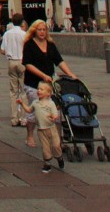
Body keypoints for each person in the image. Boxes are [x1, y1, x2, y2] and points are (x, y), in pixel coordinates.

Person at [22, 19, 77, 148]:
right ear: (34, 31)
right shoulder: (29, 44)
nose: (42, 32)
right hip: (33, 84)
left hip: (49, 85)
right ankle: (30, 136)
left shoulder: (50, 44)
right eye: (39, 30)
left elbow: (59, 61)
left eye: (44, 30)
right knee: (35, 112)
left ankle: (56, 141)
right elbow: (27, 64)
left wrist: (70, 73)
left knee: (54, 111)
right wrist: (42, 75)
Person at [17, 81, 64, 172]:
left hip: (51, 128)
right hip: (41, 130)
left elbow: (55, 114)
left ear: (48, 93)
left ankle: (59, 157)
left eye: (42, 89)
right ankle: (47, 164)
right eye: (38, 89)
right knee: (45, 148)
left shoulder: (51, 103)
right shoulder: (35, 102)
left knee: (56, 145)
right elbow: (29, 110)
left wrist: (53, 117)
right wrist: (22, 103)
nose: (38, 91)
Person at [0, 13, 27, 126]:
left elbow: (2, 50)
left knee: (13, 91)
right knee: (24, 91)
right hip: (22, 61)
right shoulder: (24, 34)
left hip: (11, 62)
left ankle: (14, 119)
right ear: (22, 22)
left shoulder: (7, 34)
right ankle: (24, 118)